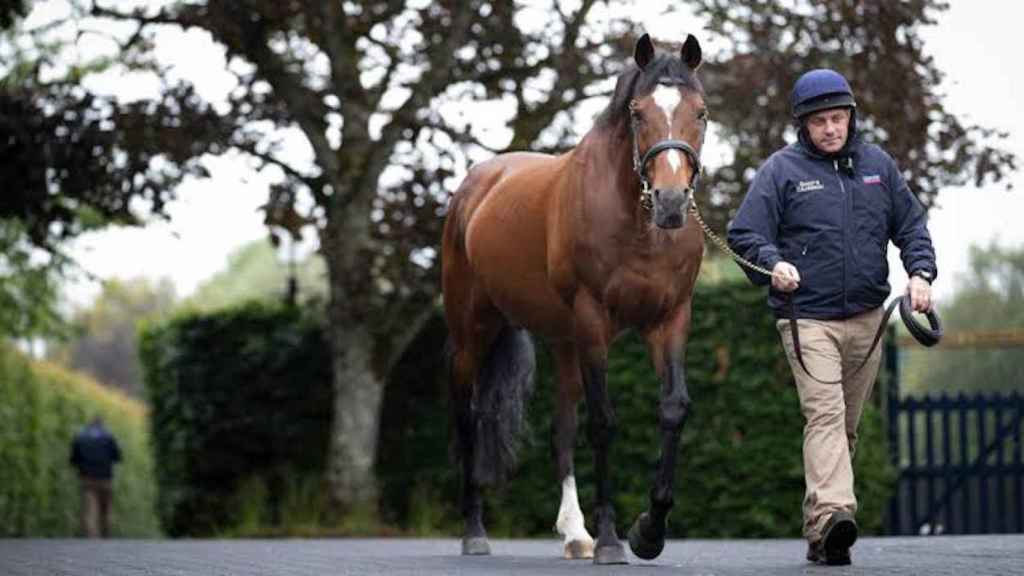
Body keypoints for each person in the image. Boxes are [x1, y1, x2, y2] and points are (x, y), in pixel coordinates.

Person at [727, 69, 936, 566]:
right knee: (824, 414)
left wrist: (921, 273)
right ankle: (836, 512)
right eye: (820, 121)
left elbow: (911, 226)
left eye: (837, 118)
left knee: (844, 428)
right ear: (804, 124)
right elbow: (743, 234)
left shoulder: (878, 167)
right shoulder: (781, 171)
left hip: (868, 319)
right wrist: (772, 263)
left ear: (850, 118)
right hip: (807, 320)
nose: (830, 128)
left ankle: (821, 532)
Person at [70, 416, 122, 538]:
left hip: (87, 477)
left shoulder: (80, 437)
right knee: (106, 509)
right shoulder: (109, 437)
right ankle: (106, 534)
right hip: (105, 477)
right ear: (102, 425)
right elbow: (118, 457)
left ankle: (91, 536)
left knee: (89, 508)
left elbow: (74, 459)